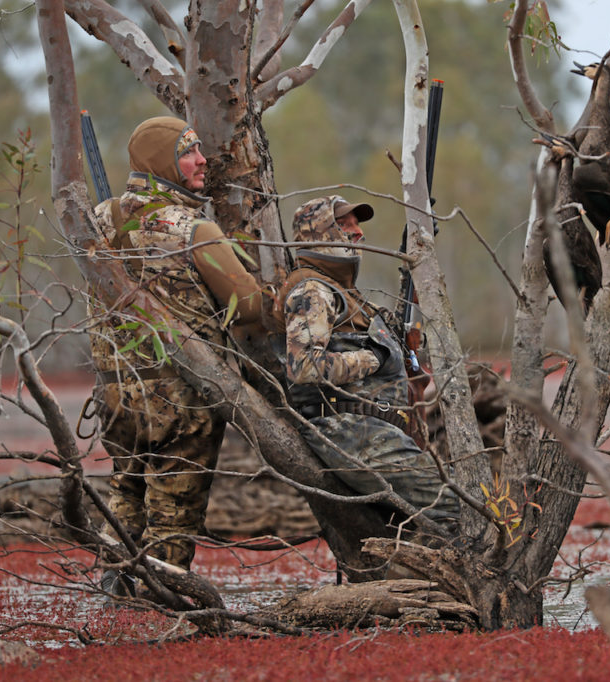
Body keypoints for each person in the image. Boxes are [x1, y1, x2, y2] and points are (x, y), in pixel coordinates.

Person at [88, 116, 270, 589]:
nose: (202, 161)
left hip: (115, 394)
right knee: (173, 508)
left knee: (124, 487)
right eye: (187, 152)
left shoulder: (97, 219)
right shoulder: (195, 228)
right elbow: (248, 306)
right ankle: (160, 597)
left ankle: (113, 589)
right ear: (161, 164)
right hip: (180, 400)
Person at [279, 195, 459, 532]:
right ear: (319, 236)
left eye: (357, 225)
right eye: (345, 226)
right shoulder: (312, 291)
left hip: (372, 432)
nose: (358, 233)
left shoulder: (345, 294)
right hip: (347, 431)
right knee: (452, 502)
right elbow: (304, 366)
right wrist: (372, 358)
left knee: (449, 502)